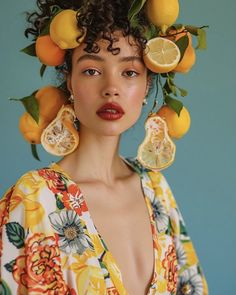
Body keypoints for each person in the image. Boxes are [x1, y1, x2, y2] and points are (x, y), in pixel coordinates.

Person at [0, 0, 208, 294]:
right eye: (92, 71)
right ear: (69, 82)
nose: (111, 87)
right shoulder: (35, 198)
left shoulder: (156, 189)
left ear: (147, 84)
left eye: (130, 72)